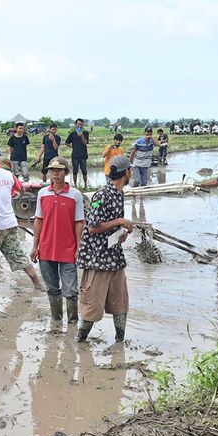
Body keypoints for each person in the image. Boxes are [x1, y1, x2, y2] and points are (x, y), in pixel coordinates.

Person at [77, 154, 133, 343]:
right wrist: (119, 221)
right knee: (92, 303)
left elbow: (109, 226)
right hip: (97, 258)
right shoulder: (101, 195)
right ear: (127, 172)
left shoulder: (120, 194)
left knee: (120, 301)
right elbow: (92, 227)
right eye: (130, 170)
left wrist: (120, 233)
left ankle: (120, 341)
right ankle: (80, 341)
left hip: (114, 255)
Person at [0, 145, 43, 290]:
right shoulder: (8, 175)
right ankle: (37, 284)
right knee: (18, 255)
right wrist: (14, 195)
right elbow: (22, 190)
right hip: (11, 224)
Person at [30, 157, 85, 330]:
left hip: (68, 250)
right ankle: (56, 321)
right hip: (46, 249)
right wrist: (35, 246)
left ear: (66, 173)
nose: (55, 173)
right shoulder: (42, 193)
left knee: (70, 290)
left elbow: (79, 222)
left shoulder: (75, 195)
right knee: (52, 288)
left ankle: (73, 323)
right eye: (52, 170)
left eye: (59, 170)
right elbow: (38, 220)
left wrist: (79, 247)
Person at [64, 118, 90, 188]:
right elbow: (66, 143)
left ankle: (85, 185)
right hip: (75, 155)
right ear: (76, 125)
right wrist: (73, 146)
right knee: (75, 170)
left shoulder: (85, 133)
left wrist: (81, 135)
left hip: (83, 155)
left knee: (84, 170)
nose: (80, 126)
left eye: (81, 124)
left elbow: (85, 143)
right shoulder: (72, 134)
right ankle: (75, 185)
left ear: (83, 125)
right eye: (78, 124)